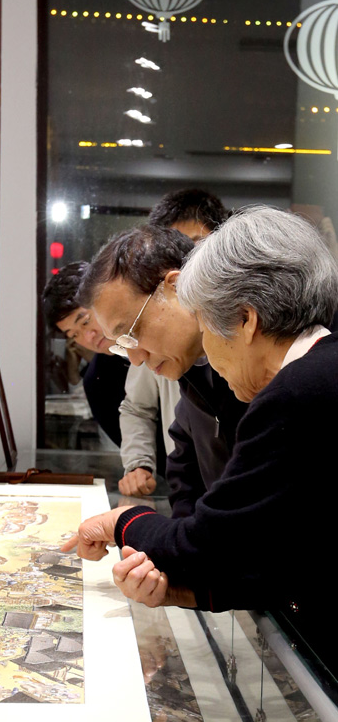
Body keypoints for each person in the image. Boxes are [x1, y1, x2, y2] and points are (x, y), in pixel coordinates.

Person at [64, 206, 338, 672]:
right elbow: (272, 553)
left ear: (245, 319)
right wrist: (180, 587)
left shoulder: (295, 393)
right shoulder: (313, 376)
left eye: (207, 325)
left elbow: (214, 544)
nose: (207, 348)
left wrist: (123, 522)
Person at [77, 224, 248, 518]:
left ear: (176, 287)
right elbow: (185, 476)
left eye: (132, 332)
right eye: (122, 345)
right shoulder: (191, 372)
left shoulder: (255, 369)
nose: (136, 360)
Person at [119, 188, 229, 498]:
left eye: (195, 245)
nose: (186, 264)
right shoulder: (154, 341)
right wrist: (139, 463)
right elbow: (138, 408)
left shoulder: (239, 330)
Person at [42, 262, 129, 447]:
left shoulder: (154, 338)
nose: (88, 337)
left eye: (85, 321)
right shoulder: (96, 383)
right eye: (74, 335)